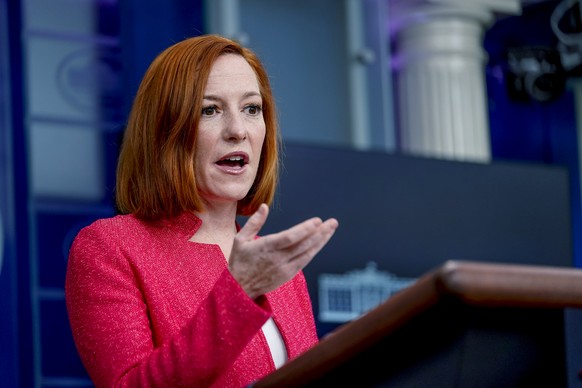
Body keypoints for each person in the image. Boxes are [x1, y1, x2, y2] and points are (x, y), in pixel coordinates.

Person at [65, 34, 338, 387]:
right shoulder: (109, 248)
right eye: (210, 110)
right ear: (164, 131)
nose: (238, 130)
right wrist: (237, 294)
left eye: (251, 109)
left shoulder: (278, 266)